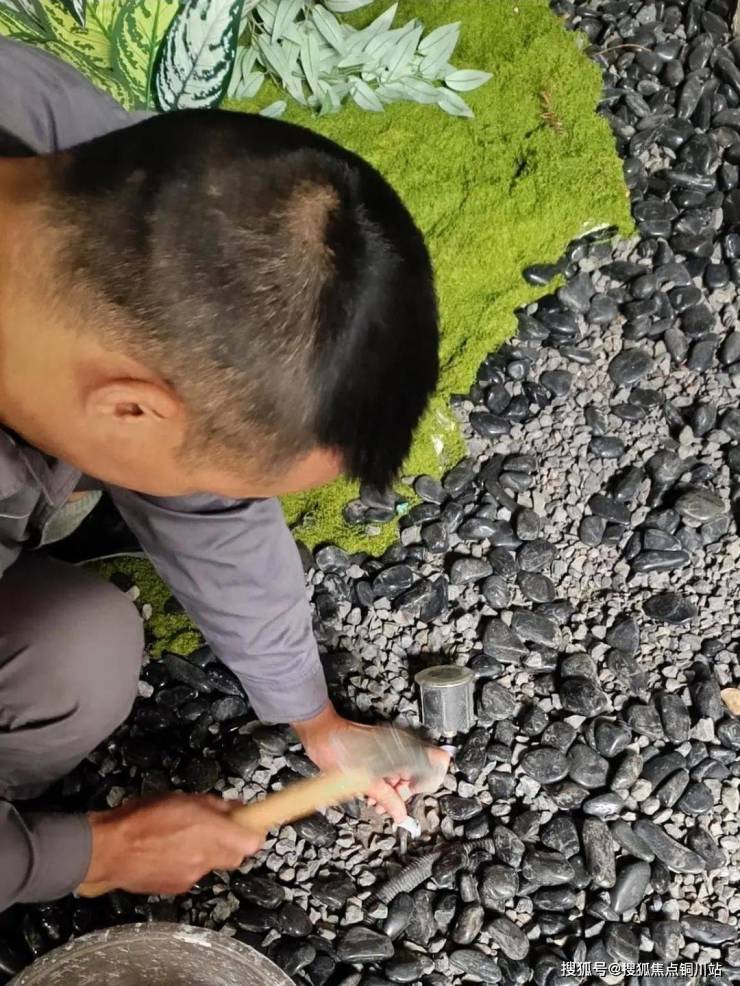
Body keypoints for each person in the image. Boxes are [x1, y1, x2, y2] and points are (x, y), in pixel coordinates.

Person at [0, 35, 444, 911]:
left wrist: (312, 716)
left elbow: (208, 509)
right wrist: (93, 855)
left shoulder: (96, 173)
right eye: (235, 479)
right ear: (130, 408)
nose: (227, 501)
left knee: (80, 654)